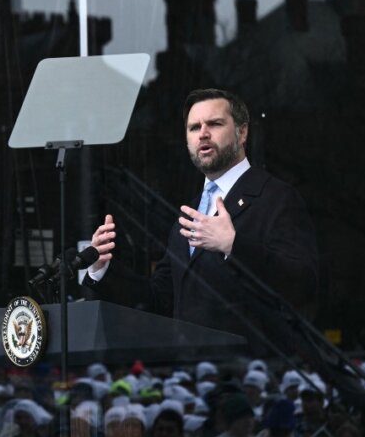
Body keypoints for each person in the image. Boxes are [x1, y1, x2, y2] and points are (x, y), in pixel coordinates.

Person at [86, 88, 319, 338]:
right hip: (192, 366)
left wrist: (233, 246)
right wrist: (103, 268)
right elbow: (159, 299)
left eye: (215, 124)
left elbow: (303, 284)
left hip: (250, 367)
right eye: (194, 128)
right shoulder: (189, 214)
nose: (203, 134)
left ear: (242, 133)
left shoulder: (276, 198)